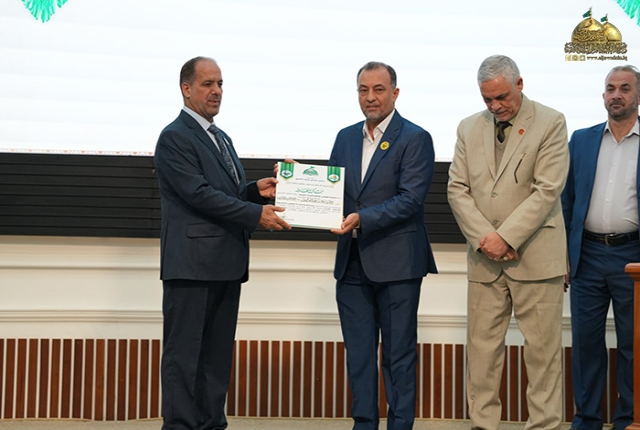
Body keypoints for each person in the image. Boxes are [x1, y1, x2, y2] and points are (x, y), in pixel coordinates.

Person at [154, 56, 290, 430]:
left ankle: (212, 424)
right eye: (207, 84)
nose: (216, 91)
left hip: (226, 263)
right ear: (186, 89)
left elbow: (223, 193)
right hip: (192, 266)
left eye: (220, 84)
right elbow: (198, 194)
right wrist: (255, 214)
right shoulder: (174, 137)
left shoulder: (221, 136)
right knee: (184, 357)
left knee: (215, 357)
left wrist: (254, 191)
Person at [447, 55, 569, 430]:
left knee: (543, 357)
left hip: (537, 257)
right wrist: (487, 240)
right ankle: (483, 425)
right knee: (482, 355)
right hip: (484, 259)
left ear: (520, 84)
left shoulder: (551, 122)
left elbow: (547, 190)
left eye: (501, 97)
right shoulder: (468, 127)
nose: (495, 106)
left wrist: (506, 237)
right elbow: (457, 189)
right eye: (487, 99)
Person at [328, 61, 437, 430]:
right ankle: (364, 424)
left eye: (378, 89)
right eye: (363, 90)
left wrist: (363, 218)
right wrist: (299, 183)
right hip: (351, 264)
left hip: (398, 264)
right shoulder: (345, 137)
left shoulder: (415, 138)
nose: (370, 97)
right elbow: (333, 192)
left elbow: (410, 199)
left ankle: (400, 426)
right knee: (358, 355)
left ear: (395, 93)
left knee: (398, 355)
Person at [561, 65, 640, 430]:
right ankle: (587, 419)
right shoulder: (581, 140)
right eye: (610, 88)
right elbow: (566, 200)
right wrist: (565, 255)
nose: (616, 95)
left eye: (624, 88)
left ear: (637, 95)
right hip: (587, 256)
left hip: (633, 258)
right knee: (586, 345)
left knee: (632, 345)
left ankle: (629, 420)